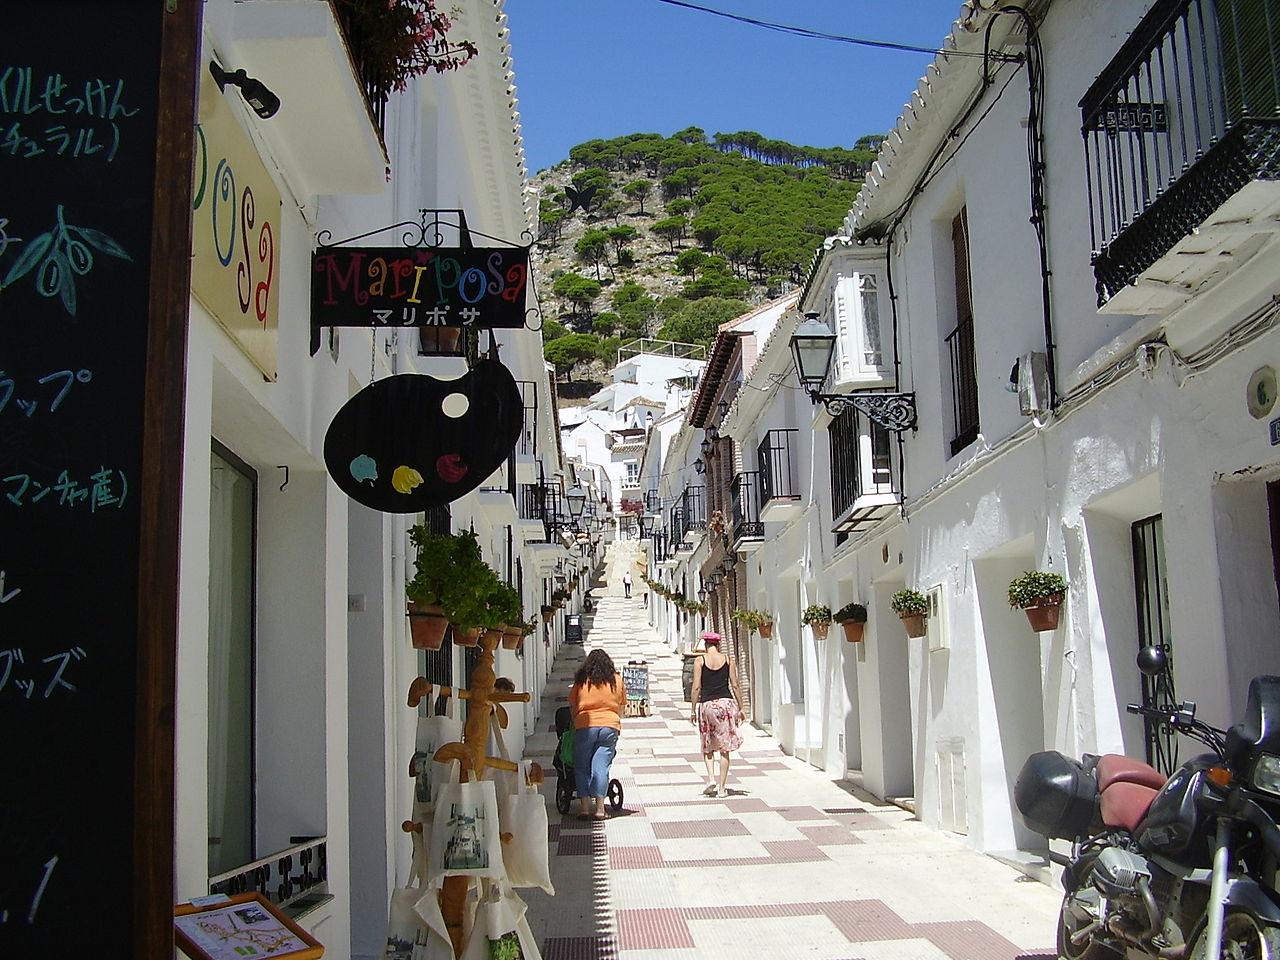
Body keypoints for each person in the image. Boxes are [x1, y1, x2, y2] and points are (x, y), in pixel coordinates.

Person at [568, 648, 626, 819]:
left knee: (582, 766)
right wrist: (616, 722)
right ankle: (600, 809)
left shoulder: (582, 680)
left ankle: (585, 808)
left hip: (585, 725)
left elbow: (572, 704)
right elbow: (621, 706)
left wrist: (575, 721)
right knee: (601, 767)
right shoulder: (616, 680)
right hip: (609, 725)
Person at [690, 632, 745, 798]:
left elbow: (696, 687)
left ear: (706, 644)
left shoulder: (700, 660)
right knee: (725, 747)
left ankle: (711, 779)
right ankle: (722, 788)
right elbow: (735, 685)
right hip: (726, 705)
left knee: (707, 743)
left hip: (708, 705)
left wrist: (693, 709)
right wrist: (741, 707)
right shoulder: (728, 660)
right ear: (718, 644)